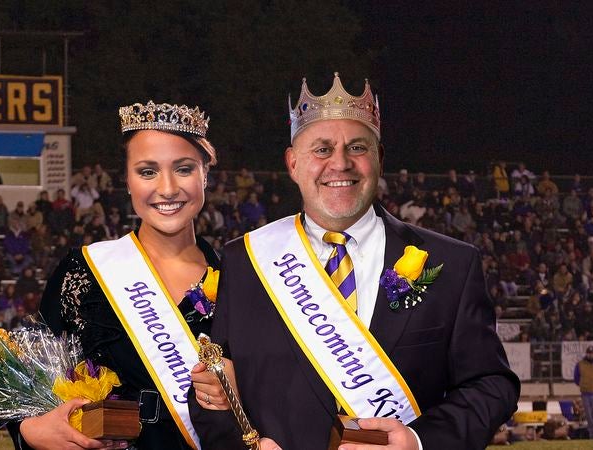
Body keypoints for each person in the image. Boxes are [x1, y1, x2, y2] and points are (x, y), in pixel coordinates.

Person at [190, 73, 519, 449]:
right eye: (322, 150)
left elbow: (492, 385)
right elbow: (210, 392)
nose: (340, 164)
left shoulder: (452, 264)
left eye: (358, 148)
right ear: (293, 164)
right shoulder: (244, 262)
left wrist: (418, 441)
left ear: (378, 158)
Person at [12, 100, 224, 450]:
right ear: (127, 181)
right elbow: (23, 380)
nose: (167, 188)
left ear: (206, 175)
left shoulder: (244, 279)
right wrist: (31, 430)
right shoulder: (81, 273)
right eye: (147, 171)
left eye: (184, 169)